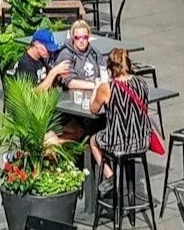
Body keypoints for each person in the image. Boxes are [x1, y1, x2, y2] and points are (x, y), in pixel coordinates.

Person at [88, 47, 152, 180]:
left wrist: (96, 86)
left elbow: (93, 108)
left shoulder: (107, 88)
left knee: (93, 141)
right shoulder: (142, 82)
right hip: (142, 140)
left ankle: (109, 175)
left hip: (118, 142)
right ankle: (129, 186)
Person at [50, 20, 103, 94]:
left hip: (95, 95)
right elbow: (70, 83)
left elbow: (103, 69)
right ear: (72, 37)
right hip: (73, 98)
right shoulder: (66, 54)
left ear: (89, 37)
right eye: (77, 37)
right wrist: (95, 85)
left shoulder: (94, 52)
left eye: (85, 37)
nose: (81, 40)